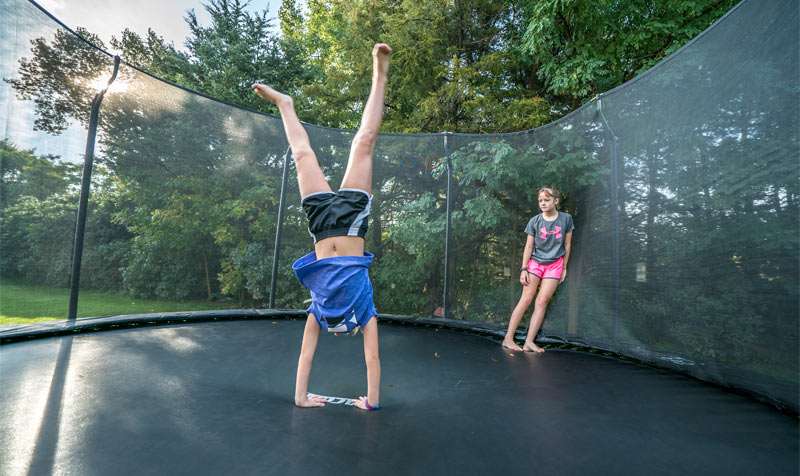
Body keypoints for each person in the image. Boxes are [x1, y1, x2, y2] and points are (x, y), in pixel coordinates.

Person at [251, 43, 392, 411]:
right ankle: (380, 72)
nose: (333, 324)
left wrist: (301, 399)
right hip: (352, 220)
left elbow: (305, 357)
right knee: (363, 143)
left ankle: (285, 104)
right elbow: (372, 361)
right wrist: (371, 403)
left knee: (302, 156)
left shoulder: (317, 310)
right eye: (337, 325)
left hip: (320, 224)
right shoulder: (366, 311)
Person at [502, 186, 574, 353]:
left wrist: (564, 268)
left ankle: (529, 341)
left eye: (547, 200)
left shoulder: (566, 219)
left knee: (541, 301)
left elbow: (567, 244)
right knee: (526, 299)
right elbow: (528, 246)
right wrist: (524, 269)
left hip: (555, 265)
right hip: (535, 263)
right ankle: (508, 338)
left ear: (556, 201)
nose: (543, 203)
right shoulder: (535, 221)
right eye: (540, 200)